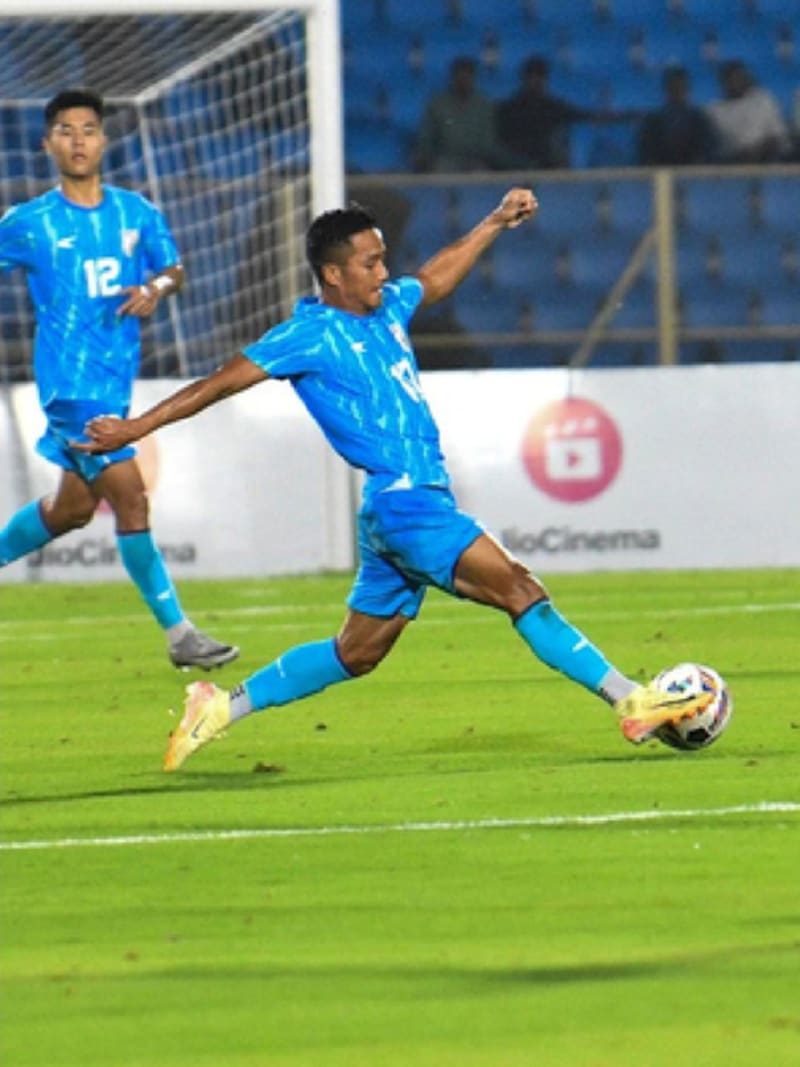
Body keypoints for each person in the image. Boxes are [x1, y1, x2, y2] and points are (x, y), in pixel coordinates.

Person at [76, 187, 711, 771]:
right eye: (371, 263)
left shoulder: (386, 311)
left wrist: (492, 222)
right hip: (407, 503)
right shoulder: (309, 334)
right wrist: (136, 428)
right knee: (520, 590)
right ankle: (631, 701)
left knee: (357, 653)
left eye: (384, 260)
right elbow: (218, 384)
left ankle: (218, 707)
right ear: (333, 273)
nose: (385, 273)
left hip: (393, 508)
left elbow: (432, 280)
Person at [0, 88, 238, 671]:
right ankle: (180, 634)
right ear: (47, 144)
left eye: (87, 129)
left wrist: (155, 288)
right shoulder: (29, 223)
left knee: (71, 511)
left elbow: (174, 268)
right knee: (132, 499)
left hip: (114, 381)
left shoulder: (136, 212)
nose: (77, 140)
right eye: (65, 130)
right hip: (69, 388)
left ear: (103, 140)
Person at [495, 55, 627, 170]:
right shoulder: (509, 109)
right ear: (524, 79)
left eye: (539, 77)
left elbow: (580, 115)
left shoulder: (552, 106)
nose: (535, 82)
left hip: (545, 162)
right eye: (531, 77)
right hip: (515, 164)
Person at [413, 56, 507, 173]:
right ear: (453, 77)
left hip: (476, 162)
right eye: (459, 75)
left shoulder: (484, 104)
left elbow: (488, 141)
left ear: (473, 77)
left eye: (467, 75)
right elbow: (426, 138)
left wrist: (477, 155)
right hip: (445, 161)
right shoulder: (437, 104)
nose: (463, 80)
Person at [706, 60, 790, 164]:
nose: (736, 82)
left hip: (768, 159)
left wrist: (759, 150)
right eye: (732, 79)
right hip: (733, 163)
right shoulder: (714, 110)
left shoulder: (763, 99)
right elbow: (720, 147)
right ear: (723, 82)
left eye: (740, 78)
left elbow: (778, 136)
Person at [637, 65, 717, 166]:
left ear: (687, 88)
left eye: (680, 86)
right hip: (660, 174)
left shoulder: (699, 118)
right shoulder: (653, 120)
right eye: (673, 87)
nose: (677, 91)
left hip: (694, 174)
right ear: (666, 89)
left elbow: (708, 150)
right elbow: (646, 152)